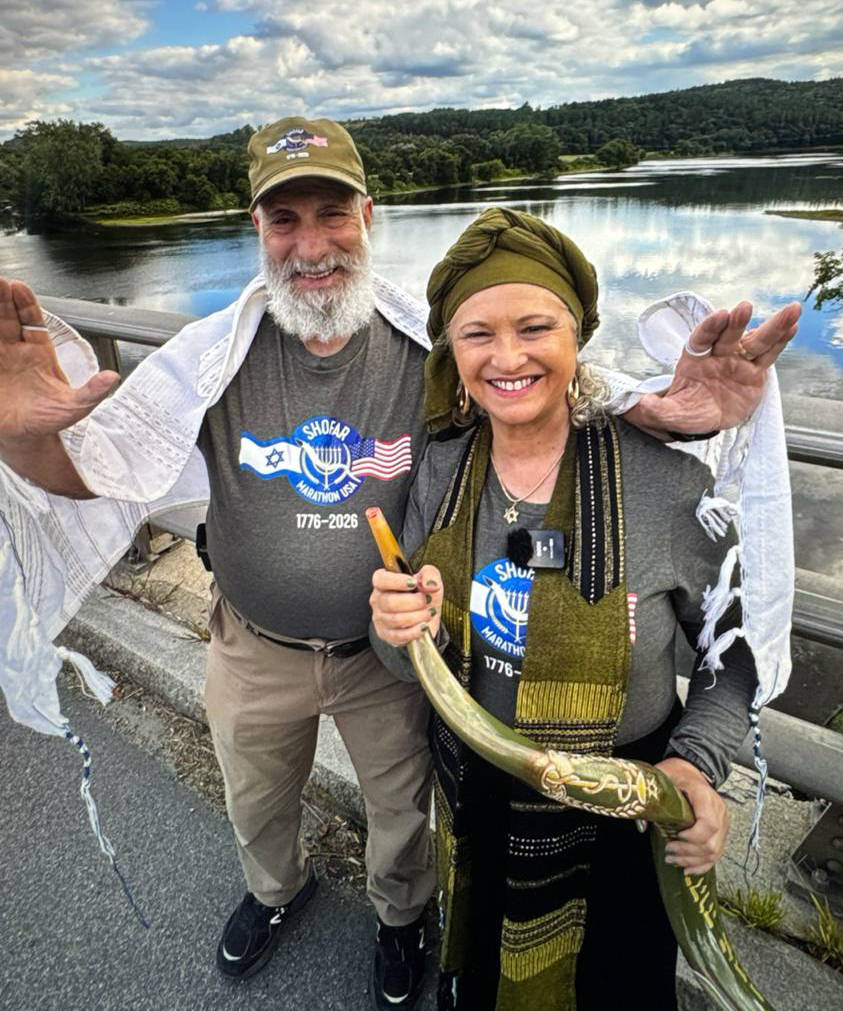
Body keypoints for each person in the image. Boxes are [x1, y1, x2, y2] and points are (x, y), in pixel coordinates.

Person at [0, 119, 799, 1011]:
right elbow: (100, 470)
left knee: (406, 823)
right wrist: (18, 436)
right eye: (284, 219)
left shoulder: (450, 368)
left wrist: (665, 416)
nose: (311, 245)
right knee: (258, 800)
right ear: (255, 229)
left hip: (437, 689)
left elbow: (565, 393)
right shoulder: (212, 365)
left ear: (368, 216)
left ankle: (398, 918)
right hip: (279, 655)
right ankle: (276, 893)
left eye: (331, 213)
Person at [369, 207, 777, 1010]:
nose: (507, 356)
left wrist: (694, 764)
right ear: (450, 349)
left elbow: (734, 654)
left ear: (577, 335)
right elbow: (408, 658)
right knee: (482, 973)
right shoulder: (442, 468)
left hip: (622, 811)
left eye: (534, 327)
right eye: (477, 333)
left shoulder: (663, 484)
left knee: (617, 988)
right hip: (475, 787)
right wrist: (394, 628)